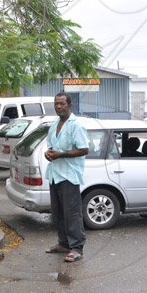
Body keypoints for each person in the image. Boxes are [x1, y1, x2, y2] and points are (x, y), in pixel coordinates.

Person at [44, 92, 89, 262]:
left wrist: (61, 154)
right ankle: (63, 243)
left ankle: (77, 247)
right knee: (58, 213)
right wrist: (48, 153)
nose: (58, 106)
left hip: (69, 176)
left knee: (72, 213)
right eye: (56, 103)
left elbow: (84, 149)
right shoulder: (54, 124)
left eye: (62, 104)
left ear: (70, 105)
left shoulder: (75, 125)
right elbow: (51, 146)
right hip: (55, 175)